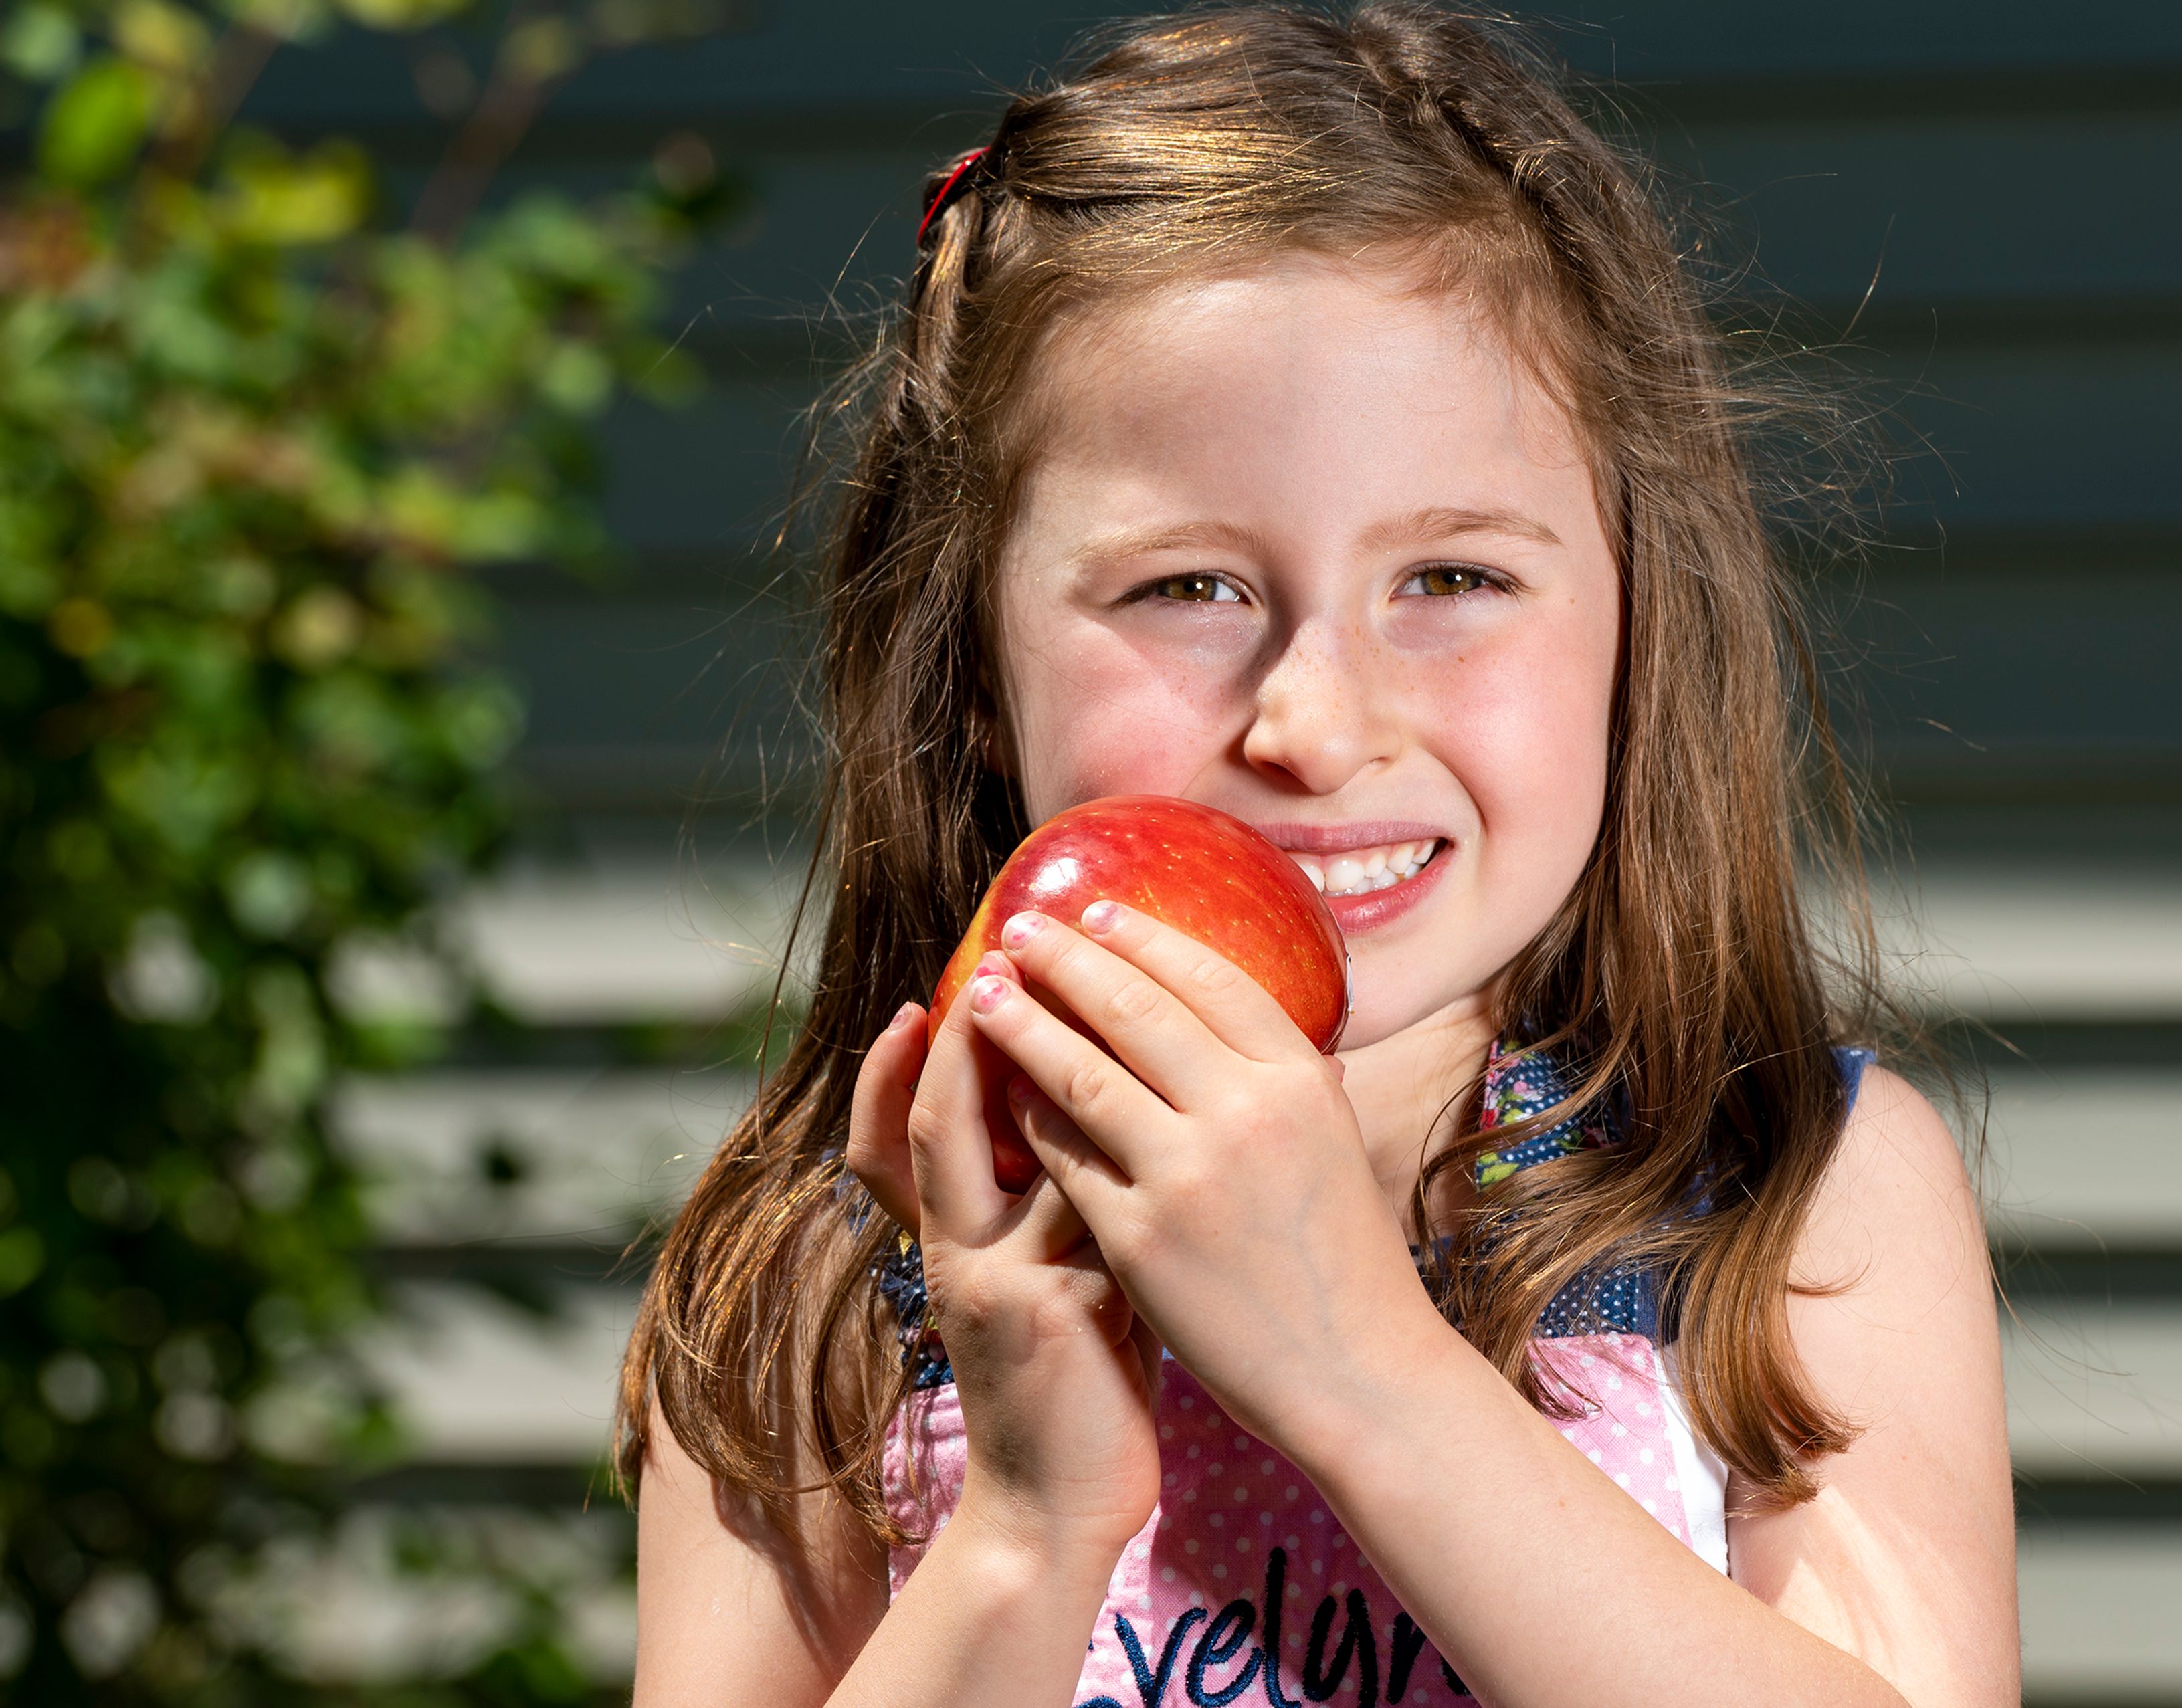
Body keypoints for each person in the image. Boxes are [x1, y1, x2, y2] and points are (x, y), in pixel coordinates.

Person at [618, 6, 2018, 1704]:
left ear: (1641, 615)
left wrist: (1356, 1366)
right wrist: (1027, 1516)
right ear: (969, 668)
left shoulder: (1784, 1183)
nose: (1319, 718)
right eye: (1186, 588)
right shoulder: (836, 1277)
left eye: (1453, 578)